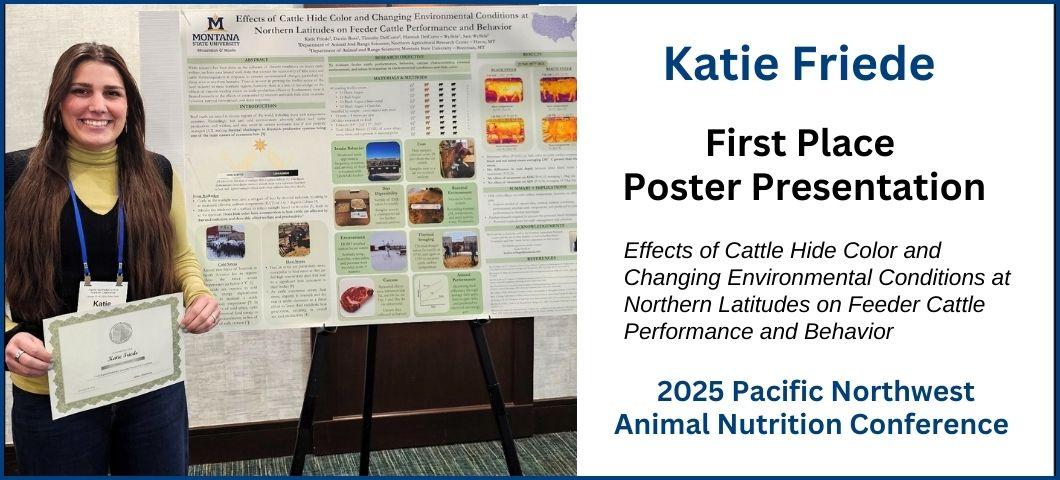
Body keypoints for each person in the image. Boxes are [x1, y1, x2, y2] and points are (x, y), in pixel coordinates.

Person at [3, 43, 221, 475]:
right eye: (80, 90)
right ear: (58, 101)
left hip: (150, 384)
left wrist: (199, 294)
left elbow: (182, 256)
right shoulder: (14, 175)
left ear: (129, 104)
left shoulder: (157, 172)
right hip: (51, 391)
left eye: (112, 93)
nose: (97, 106)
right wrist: (6, 336)